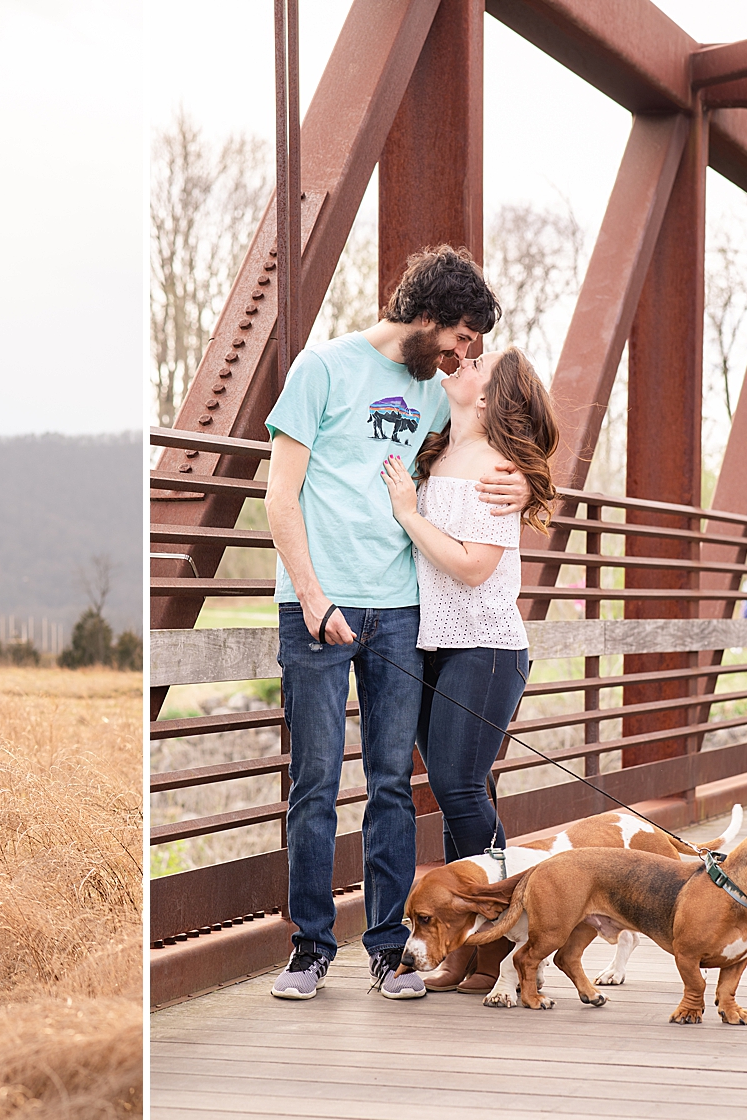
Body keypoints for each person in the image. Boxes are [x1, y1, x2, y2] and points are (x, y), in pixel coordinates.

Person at [265, 245, 529, 1001]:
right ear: (430, 316)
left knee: (390, 787)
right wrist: (314, 598)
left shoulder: (434, 393)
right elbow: (281, 498)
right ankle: (311, 948)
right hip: (317, 607)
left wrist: (525, 483)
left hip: (400, 610)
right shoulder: (321, 370)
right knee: (314, 783)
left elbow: (500, 443)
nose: (462, 356)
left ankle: (387, 950)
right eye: (460, 339)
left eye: (470, 349)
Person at [381, 345, 559, 995]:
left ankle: (480, 945)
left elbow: (474, 566)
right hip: (435, 644)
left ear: (487, 398)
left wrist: (407, 513)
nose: (462, 362)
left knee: (457, 787)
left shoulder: (494, 468)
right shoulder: (438, 447)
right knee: (461, 791)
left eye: (477, 362)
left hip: (484, 647)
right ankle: (498, 939)